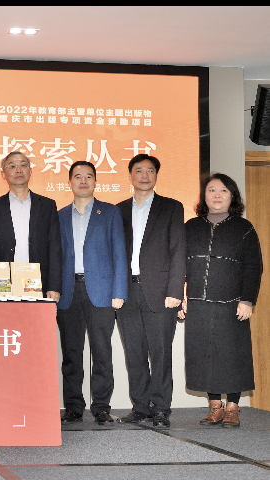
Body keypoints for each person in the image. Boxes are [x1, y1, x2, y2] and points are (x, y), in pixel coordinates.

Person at [179, 173, 262, 428]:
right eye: (212, 190)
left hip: (232, 303)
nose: (217, 195)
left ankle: (233, 407)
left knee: (232, 355)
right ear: (204, 196)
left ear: (232, 196)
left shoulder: (244, 228)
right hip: (198, 302)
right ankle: (215, 406)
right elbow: (179, 265)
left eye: (223, 190)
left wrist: (247, 300)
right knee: (204, 354)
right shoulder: (190, 227)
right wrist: (181, 296)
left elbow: (253, 267)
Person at [115, 155, 185, 428]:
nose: (144, 176)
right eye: (139, 171)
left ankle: (162, 408)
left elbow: (178, 250)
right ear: (130, 176)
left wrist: (175, 290)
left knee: (160, 353)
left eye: (150, 171)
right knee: (134, 353)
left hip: (161, 292)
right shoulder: (118, 210)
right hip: (127, 291)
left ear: (156, 175)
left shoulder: (171, 207)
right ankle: (141, 407)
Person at [57, 161, 128, 426]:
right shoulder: (60, 215)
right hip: (68, 291)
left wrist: (119, 290)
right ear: (70, 182)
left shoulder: (109, 212)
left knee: (101, 352)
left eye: (88, 176)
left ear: (96, 182)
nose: (83, 181)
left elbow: (119, 253)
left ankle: (101, 407)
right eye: (78, 176)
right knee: (71, 353)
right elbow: (54, 256)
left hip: (102, 291)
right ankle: (73, 407)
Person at [0, 151, 62, 300]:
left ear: (30, 171)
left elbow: (54, 248)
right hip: (2, 284)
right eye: (12, 166)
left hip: (38, 283)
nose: (18, 170)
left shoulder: (47, 206)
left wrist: (54, 286)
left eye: (23, 165)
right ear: (3, 174)